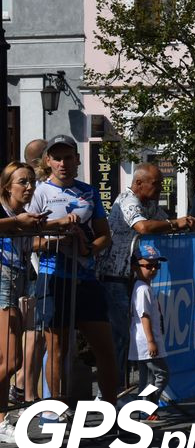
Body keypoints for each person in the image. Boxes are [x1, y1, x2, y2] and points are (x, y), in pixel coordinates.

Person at [28, 135, 119, 407]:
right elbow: (27, 239)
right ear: (48, 161)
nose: (63, 163)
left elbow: (105, 235)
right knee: (57, 349)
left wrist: (88, 249)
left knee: (105, 348)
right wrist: (54, 238)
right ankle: (53, 412)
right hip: (54, 277)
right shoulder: (39, 193)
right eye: (57, 158)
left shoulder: (89, 192)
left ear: (77, 160)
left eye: (68, 157)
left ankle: (112, 409)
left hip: (86, 279)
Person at [99, 163, 195, 390]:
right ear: (139, 183)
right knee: (121, 335)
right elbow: (143, 226)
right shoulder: (127, 200)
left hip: (134, 276)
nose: (161, 187)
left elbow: (162, 223)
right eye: (157, 183)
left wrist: (184, 223)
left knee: (140, 334)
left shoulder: (149, 202)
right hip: (114, 276)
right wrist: (174, 223)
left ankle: (139, 392)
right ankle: (113, 393)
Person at [0, 162, 50, 443]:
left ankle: (2, 419)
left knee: (10, 358)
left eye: (31, 181)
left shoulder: (22, 214)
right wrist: (20, 223)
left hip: (17, 280)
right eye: (23, 182)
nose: (29, 187)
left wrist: (61, 226)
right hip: (3, 281)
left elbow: (30, 237)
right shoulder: (8, 212)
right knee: (10, 359)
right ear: (8, 186)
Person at [129, 244, 169, 407]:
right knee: (162, 374)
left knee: (147, 379)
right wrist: (151, 341)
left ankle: (144, 408)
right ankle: (149, 405)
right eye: (148, 266)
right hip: (146, 342)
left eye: (156, 266)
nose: (153, 269)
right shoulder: (142, 289)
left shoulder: (143, 287)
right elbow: (144, 316)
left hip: (144, 342)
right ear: (135, 267)